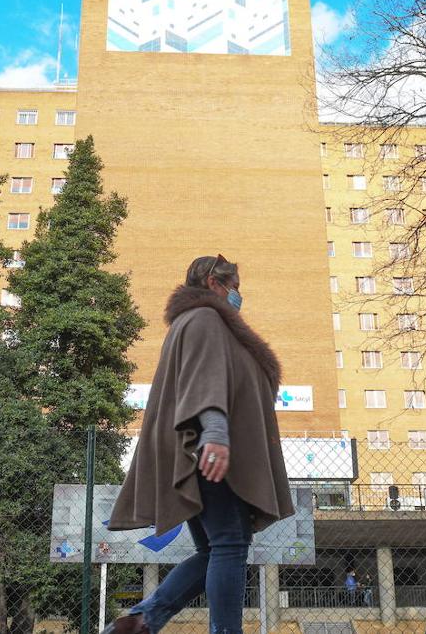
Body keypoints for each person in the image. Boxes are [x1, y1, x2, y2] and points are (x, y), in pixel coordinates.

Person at [105, 255, 293, 634]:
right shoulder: (206, 318)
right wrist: (216, 435)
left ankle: (142, 620)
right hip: (204, 449)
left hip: (192, 449)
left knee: (215, 548)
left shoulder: (197, 322)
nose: (237, 294)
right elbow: (204, 381)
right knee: (229, 544)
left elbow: (210, 378)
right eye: (233, 284)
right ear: (212, 282)